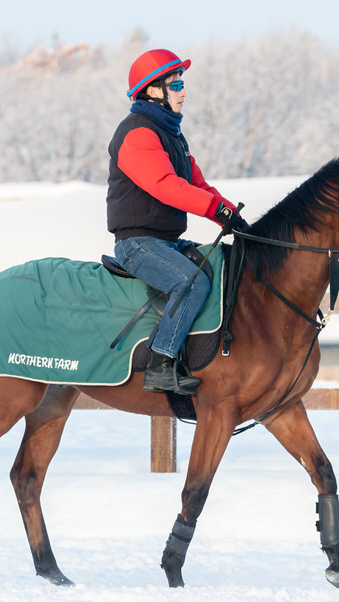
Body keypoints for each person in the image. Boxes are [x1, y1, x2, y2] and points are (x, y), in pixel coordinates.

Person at [107, 48, 248, 395]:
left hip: (164, 241)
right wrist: (216, 212)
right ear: (153, 90)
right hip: (138, 244)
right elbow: (167, 187)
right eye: (176, 85)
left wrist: (237, 220)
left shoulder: (172, 136)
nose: (183, 92)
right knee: (192, 283)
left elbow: (198, 185)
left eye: (182, 84)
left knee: (216, 268)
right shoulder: (138, 133)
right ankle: (160, 363)